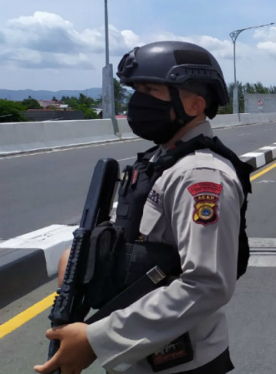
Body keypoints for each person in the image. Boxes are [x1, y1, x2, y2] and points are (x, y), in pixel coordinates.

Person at [35, 41, 253, 374]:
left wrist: (97, 339)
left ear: (195, 104)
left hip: (180, 364)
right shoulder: (158, 164)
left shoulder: (200, 175)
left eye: (152, 90)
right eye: (136, 90)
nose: (139, 101)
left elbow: (207, 285)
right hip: (138, 357)